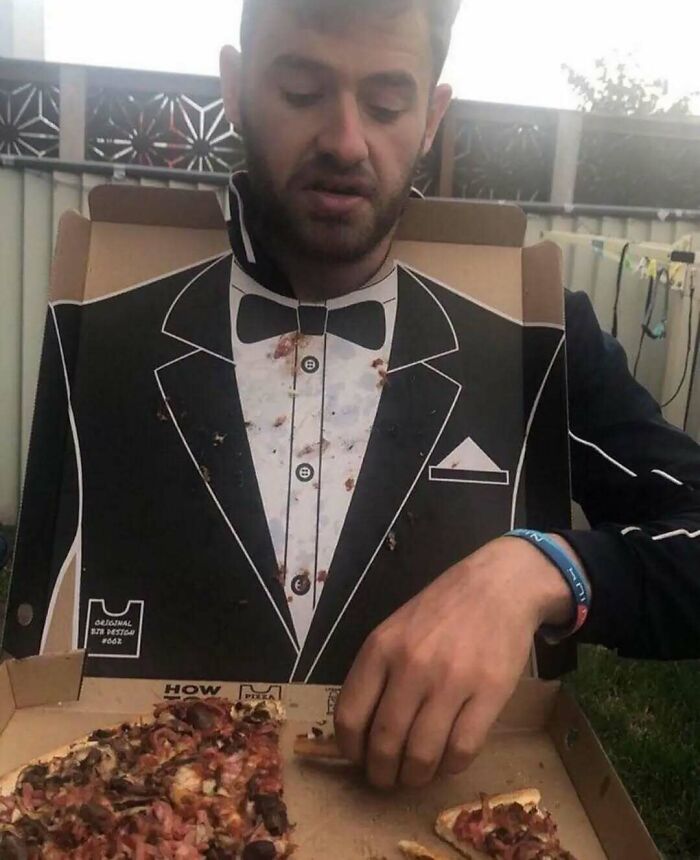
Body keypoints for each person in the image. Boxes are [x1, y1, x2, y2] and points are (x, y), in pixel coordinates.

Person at [217, 0, 700, 790]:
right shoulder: (116, 317)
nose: (344, 140)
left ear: (433, 114)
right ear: (235, 88)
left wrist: (541, 568)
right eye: (302, 92)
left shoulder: (534, 336)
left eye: (386, 104)